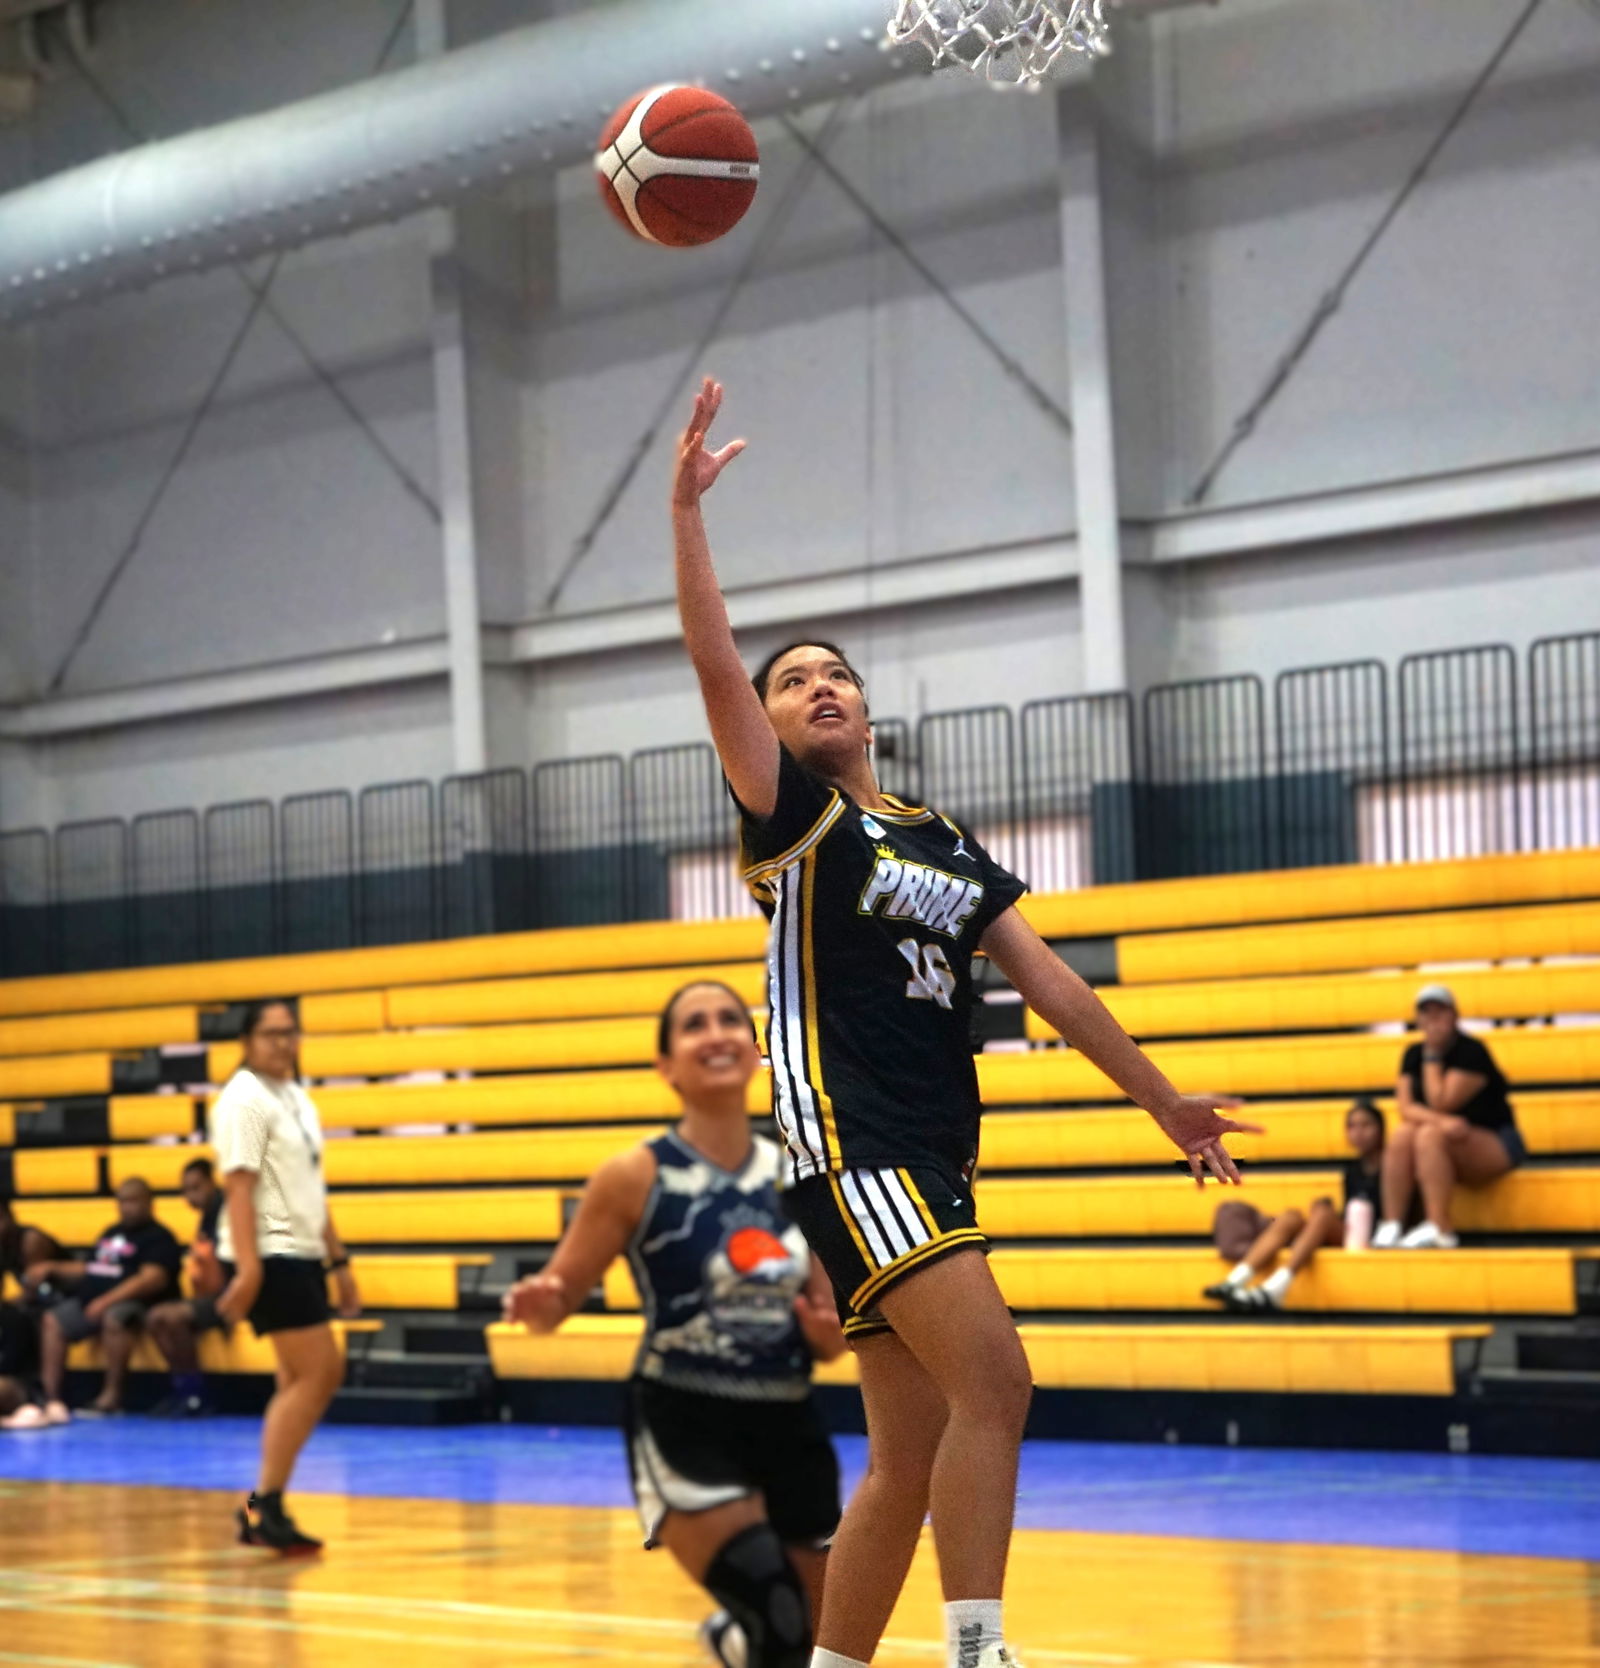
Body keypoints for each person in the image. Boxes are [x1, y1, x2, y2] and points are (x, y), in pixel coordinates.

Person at [670, 378, 1258, 1668]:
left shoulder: (935, 836)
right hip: (853, 1140)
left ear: (865, 710)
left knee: (909, 1449)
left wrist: (1161, 1100)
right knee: (998, 1381)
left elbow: (1049, 980)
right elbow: (713, 657)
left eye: (836, 676)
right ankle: (979, 1651)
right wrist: (686, 519)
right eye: (792, 682)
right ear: (762, 728)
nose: (817, 688)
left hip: (935, 1147)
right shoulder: (792, 821)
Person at [505, 981, 847, 1668]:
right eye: (694, 1025)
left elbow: (831, 1330)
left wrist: (827, 1332)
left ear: (757, 1053)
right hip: (685, 1418)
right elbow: (559, 1297)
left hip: (790, 1421)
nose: (716, 1034)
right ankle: (739, 1634)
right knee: (775, 1612)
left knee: (809, 1638)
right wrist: (543, 1303)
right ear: (667, 1065)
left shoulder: (802, 1177)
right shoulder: (633, 1175)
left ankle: (730, 1644)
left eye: (730, 1020)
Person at [212, 999, 360, 1555]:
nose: (282, 1043)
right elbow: (239, 1187)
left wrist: (338, 1261)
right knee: (321, 1373)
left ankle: (259, 1507)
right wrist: (249, 1268)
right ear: (248, 1041)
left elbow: (309, 1189)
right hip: (269, 1253)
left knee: (295, 1381)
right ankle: (264, 1504)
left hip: (299, 1249)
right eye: (270, 1034)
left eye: (289, 1033)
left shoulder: (296, 1098)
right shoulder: (244, 1099)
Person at [1373, 984, 1524, 1250]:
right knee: (1404, 1133)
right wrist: (1441, 1122)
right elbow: (1406, 1107)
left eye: (1440, 1012)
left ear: (1454, 1016)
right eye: (1426, 1013)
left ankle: (1441, 1227)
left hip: (1494, 1139)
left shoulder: (1472, 1051)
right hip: (1446, 1137)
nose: (1433, 1020)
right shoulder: (1411, 1053)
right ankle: (1392, 1222)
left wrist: (1432, 1054)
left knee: (1428, 1134)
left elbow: (1441, 1101)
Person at [1203, 1098, 1388, 1312]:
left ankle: (1276, 1288)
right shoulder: (1353, 1169)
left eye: (1366, 1125)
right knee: (1292, 1215)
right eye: (1353, 1126)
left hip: (1377, 1236)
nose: (1359, 1132)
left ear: (1381, 1129)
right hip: (1355, 1230)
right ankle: (1235, 1280)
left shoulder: (1391, 1164)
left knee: (1324, 1213)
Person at [24, 1177, 181, 1421]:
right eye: (122, 1201)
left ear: (149, 1203)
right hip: (92, 1301)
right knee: (53, 1319)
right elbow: (90, 1267)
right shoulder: (111, 1232)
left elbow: (152, 1280)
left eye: (132, 1201)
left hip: (137, 1306)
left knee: (114, 1318)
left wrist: (106, 1301)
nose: (126, 1207)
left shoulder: (159, 1236)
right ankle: (49, 1398)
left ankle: (111, 1397)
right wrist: (52, 1266)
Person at [147, 1157, 227, 1417]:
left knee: (170, 1317)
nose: (190, 1196)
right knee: (156, 1318)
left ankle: (196, 1394)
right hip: (212, 1295)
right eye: (186, 1190)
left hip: (232, 1295)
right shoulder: (208, 1215)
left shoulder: (226, 1213)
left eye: (196, 1188)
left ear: (212, 1182)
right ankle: (183, 1389)